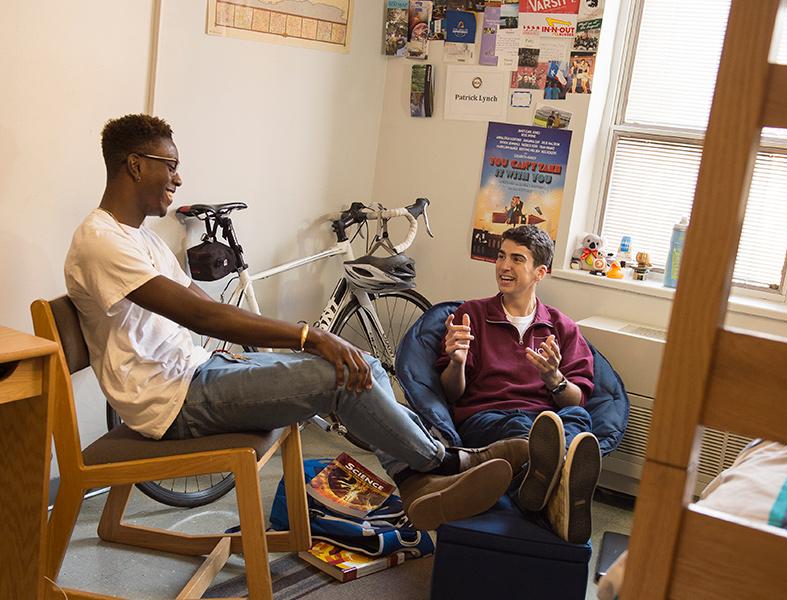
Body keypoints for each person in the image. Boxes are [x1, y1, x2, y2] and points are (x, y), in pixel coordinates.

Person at [64, 114, 528, 532]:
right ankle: (446, 462)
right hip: (173, 403)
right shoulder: (102, 241)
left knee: (366, 362)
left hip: (198, 373)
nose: (178, 177)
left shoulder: (139, 238)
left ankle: (414, 481)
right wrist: (310, 336)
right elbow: (200, 314)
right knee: (339, 375)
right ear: (135, 165)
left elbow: (203, 305)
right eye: (170, 164)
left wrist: (277, 347)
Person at [436, 225, 602, 543]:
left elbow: (577, 399)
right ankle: (561, 490)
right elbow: (450, 393)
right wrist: (457, 361)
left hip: (545, 420)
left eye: (516, 258)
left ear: (540, 272)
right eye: (501, 256)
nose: (503, 266)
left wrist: (555, 378)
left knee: (578, 420)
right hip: (490, 417)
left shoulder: (561, 327)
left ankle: (542, 483)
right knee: (525, 433)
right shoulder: (472, 314)